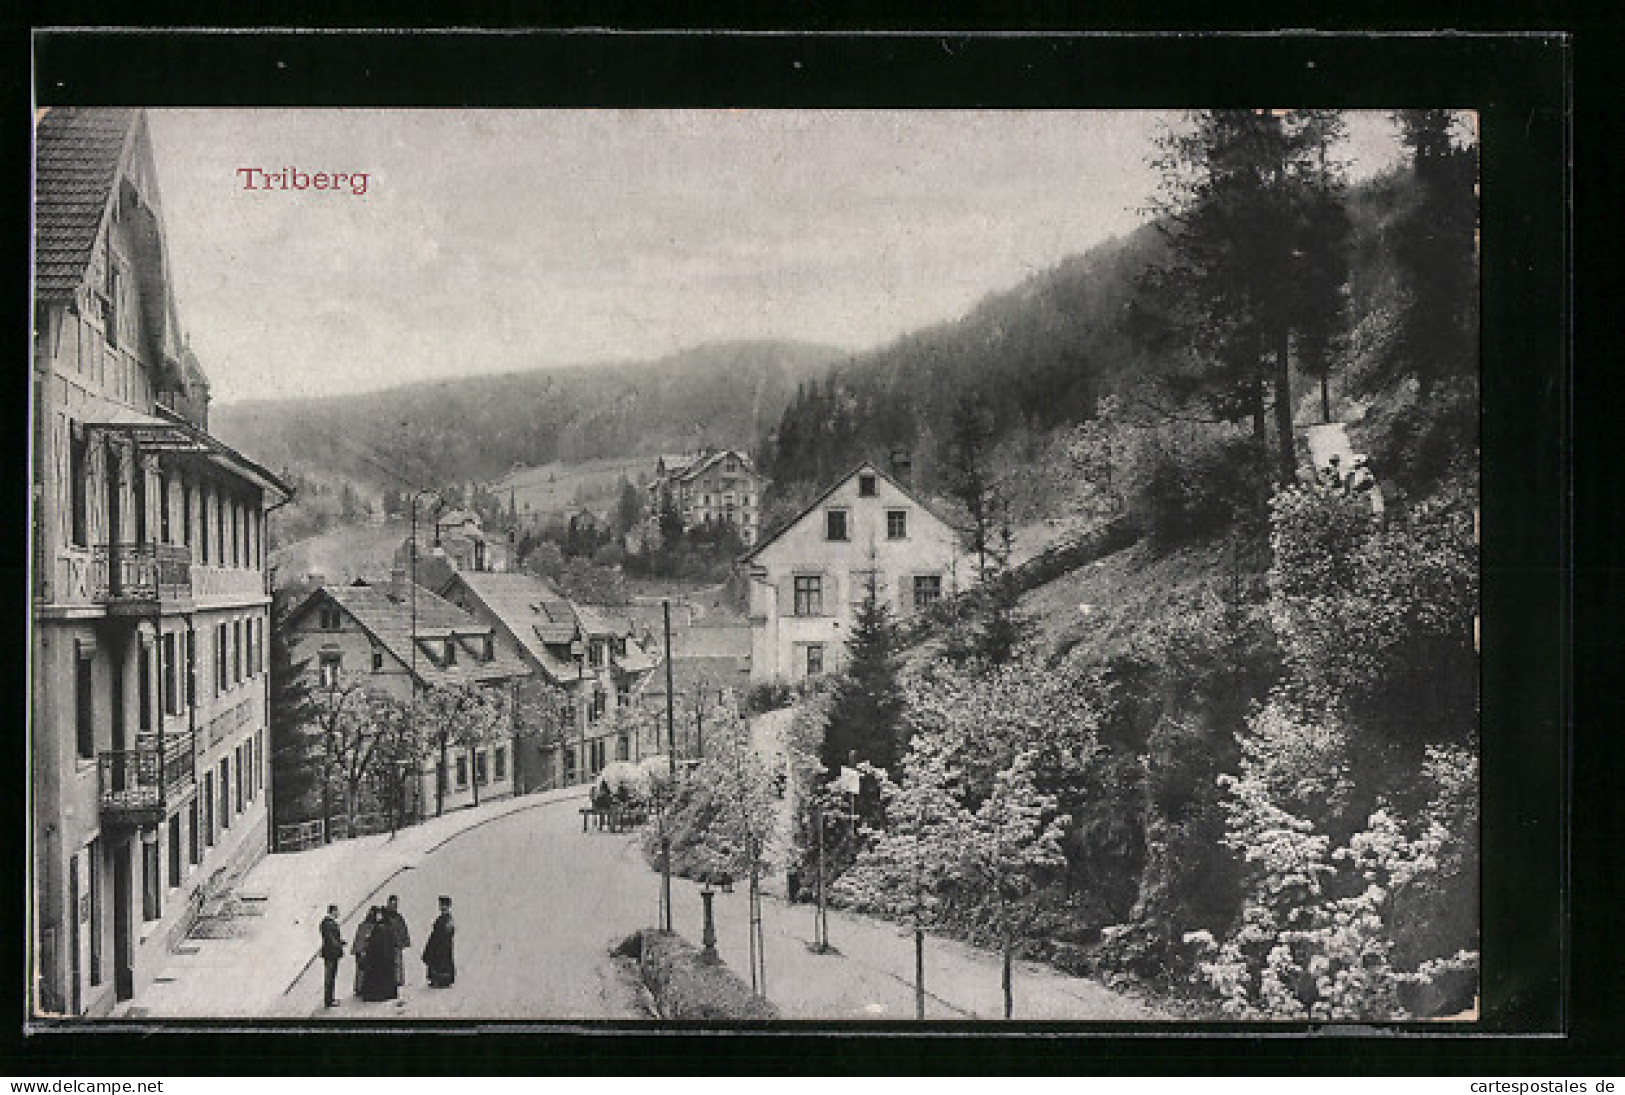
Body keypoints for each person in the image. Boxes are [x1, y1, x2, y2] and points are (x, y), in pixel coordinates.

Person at [359, 907, 399, 1002]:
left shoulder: (379, 928)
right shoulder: (389, 926)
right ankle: (388, 993)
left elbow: (375, 943)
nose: (377, 916)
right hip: (387, 957)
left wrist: (368, 944)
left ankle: (376, 995)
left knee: (376, 977)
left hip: (378, 957)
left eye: (379, 915)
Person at [422, 895, 456, 988]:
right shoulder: (441, 918)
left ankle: (443, 980)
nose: (442, 907)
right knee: (435, 960)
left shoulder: (448, 919)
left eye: (444, 905)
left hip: (443, 944)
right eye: (441, 905)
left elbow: (449, 932)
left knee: (442, 961)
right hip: (437, 942)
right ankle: (436, 979)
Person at [319, 905, 345, 1008]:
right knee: (330, 977)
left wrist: (340, 942)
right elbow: (331, 939)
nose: (338, 913)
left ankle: (330, 999)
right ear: (332, 912)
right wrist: (339, 945)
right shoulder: (329, 924)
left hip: (330, 953)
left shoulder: (326, 923)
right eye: (337, 911)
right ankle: (328, 1001)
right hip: (331, 954)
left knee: (331, 977)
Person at [383, 895, 412, 988]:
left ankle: (398, 980)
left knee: (397, 962)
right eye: (391, 904)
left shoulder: (398, 917)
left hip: (396, 943)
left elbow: (403, 929)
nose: (393, 906)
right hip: (386, 943)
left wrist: (404, 941)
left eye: (395, 904)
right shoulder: (384, 916)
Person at [352, 906, 380, 996]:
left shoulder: (363, 925)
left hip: (362, 951)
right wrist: (362, 951)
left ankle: (360, 988)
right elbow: (362, 939)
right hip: (363, 951)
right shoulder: (368, 926)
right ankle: (360, 988)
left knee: (362, 970)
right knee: (362, 970)